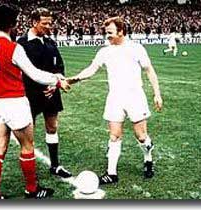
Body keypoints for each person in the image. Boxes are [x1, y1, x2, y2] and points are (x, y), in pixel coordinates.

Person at [0, 5, 70, 199]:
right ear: (12, 24)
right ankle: (32, 189)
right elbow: (35, 74)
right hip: (15, 102)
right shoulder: (14, 47)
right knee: (27, 146)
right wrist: (57, 79)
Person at [67, 17, 163, 185]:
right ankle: (111, 173)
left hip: (135, 97)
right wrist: (75, 79)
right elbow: (92, 69)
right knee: (114, 135)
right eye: (106, 33)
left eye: (110, 33)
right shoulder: (105, 51)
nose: (107, 36)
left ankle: (148, 159)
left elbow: (149, 71)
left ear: (121, 31)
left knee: (141, 136)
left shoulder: (136, 48)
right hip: (115, 98)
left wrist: (157, 93)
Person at [17, 8, 72, 178]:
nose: (49, 26)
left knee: (52, 127)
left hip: (52, 92)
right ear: (34, 22)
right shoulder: (22, 43)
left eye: (50, 23)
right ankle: (30, 170)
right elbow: (23, 71)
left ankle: (55, 165)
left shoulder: (50, 42)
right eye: (45, 23)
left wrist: (54, 84)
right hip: (30, 94)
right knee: (28, 135)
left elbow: (60, 66)